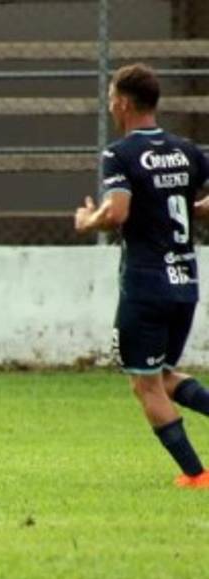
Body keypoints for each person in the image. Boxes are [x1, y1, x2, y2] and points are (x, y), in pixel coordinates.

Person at [75, 63, 209, 489]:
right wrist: (193, 209)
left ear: (123, 103)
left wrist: (87, 221)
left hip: (146, 284)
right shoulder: (186, 150)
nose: (111, 105)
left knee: (145, 383)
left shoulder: (121, 154)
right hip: (185, 282)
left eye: (112, 97)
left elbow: (117, 212)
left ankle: (196, 474)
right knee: (166, 375)